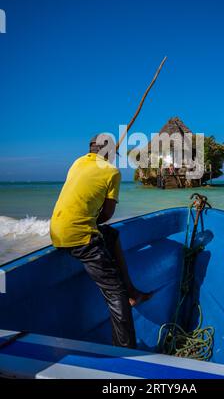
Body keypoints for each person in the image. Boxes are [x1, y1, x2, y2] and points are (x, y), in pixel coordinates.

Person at [50, 134, 152, 349]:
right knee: (116, 294)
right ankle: (124, 352)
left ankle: (132, 291)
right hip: (80, 237)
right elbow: (106, 214)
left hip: (57, 231)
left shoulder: (78, 162)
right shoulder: (111, 172)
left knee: (111, 235)